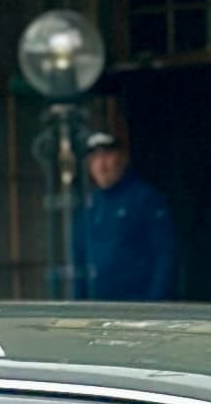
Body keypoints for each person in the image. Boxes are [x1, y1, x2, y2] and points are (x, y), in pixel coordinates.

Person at [72, 126, 179, 301]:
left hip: (137, 305)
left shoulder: (144, 199)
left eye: (107, 156)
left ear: (121, 158)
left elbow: (165, 253)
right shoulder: (89, 206)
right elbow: (79, 258)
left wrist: (156, 302)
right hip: (98, 307)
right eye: (95, 158)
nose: (101, 165)